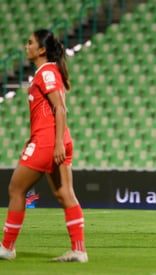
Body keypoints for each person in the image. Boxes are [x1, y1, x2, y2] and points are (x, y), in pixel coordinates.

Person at [0, 29, 87, 262]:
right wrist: (34, 140)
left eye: (30, 43)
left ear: (41, 50)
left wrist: (56, 143)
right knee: (65, 194)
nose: (26, 46)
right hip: (54, 139)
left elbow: (60, 108)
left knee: (16, 189)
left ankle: (7, 247)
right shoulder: (47, 72)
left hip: (50, 141)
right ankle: (79, 250)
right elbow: (47, 113)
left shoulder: (46, 72)